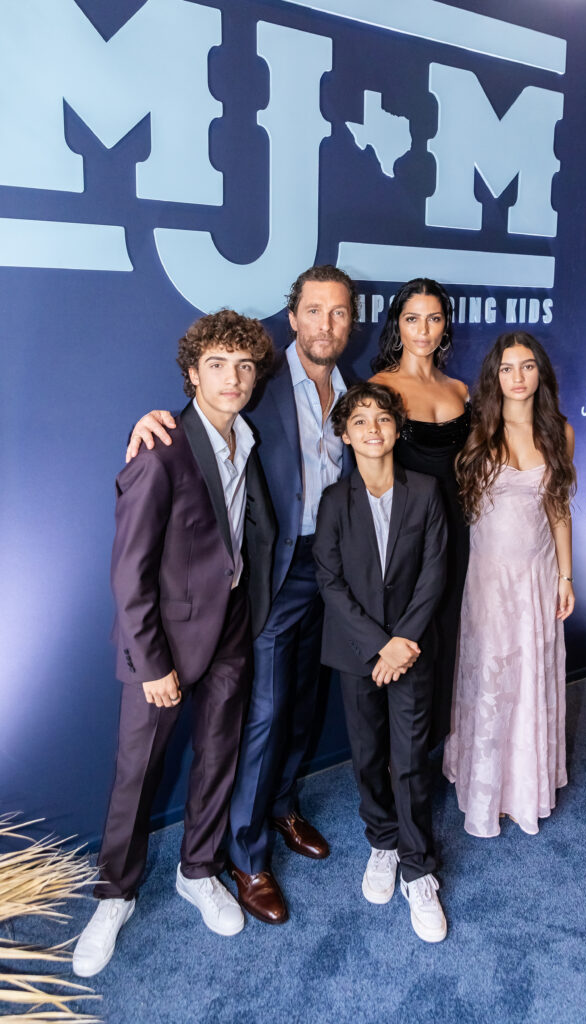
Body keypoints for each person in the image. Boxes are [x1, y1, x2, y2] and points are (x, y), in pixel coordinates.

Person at [124, 266, 357, 924]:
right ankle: (246, 855)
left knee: (304, 704)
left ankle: (281, 808)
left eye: (339, 312)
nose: (326, 324)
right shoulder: (258, 380)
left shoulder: (352, 390)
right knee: (263, 714)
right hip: (271, 573)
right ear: (294, 317)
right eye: (314, 310)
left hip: (329, 569)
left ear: (350, 322)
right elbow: (204, 414)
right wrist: (152, 420)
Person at [73, 310, 276, 977]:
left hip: (231, 631)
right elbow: (128, 572)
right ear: (192, 374)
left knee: (218, 757)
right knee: (137, 773)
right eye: (217, 365)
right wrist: (151, 663)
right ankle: (114, 894)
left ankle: (198, 870)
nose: (232, 378)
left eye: (244, 366)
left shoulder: (247, 439)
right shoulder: (160, 449)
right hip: (163, 645)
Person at [313, 382, 448, 943]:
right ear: (345, 435)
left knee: (410, 759)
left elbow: (435, 572)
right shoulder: (333, 501)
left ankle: (418, 868)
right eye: (360, 420)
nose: (373, 428)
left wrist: (404, 641)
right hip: (357, 654)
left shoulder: (426, 491)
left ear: (398, 429)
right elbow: (330, 580)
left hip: (411, 651)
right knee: (368, 755)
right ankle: (383, 841)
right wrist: (379, 645)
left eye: (383, 418)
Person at [443, 332, 576, 838]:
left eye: (527, 366)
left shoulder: (559, 432)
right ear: (494, 377)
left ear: (541, 372)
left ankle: (523, 786)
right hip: (488, 578)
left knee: (529, 677)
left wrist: (566, 576)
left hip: (538, 575)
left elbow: (559, 508)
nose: (517, 377)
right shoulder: (476, 429)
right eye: (506, 368)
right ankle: (486, 787)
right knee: (490, 678)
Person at [370, 279, 470, 745]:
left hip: (459, 531)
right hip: (405, 537)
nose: (424, 330)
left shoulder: (460, 390)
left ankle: (435, 748)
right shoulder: (380, 389)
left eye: (434, 318)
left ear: (445, 325)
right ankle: (399, 760)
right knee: (408, 638)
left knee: (448, 635)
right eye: (412, 319)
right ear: (398, 324)